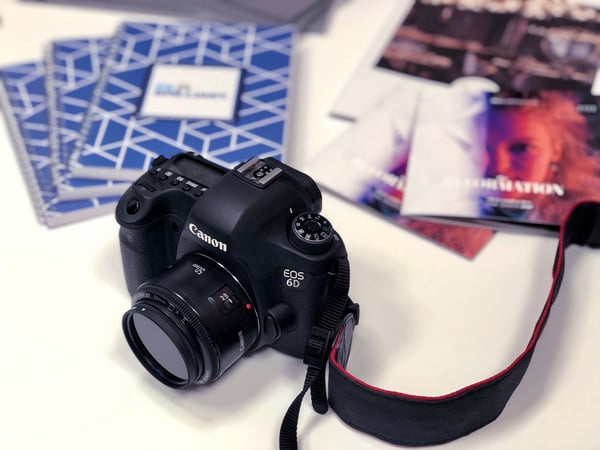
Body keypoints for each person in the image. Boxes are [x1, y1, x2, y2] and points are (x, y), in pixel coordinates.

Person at [479, 90, 600, 225]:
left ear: (556, 151)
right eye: (480, 146)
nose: (498, 166)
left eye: (522, 148)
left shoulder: (584, 218)